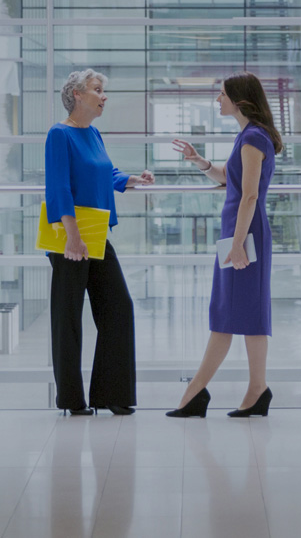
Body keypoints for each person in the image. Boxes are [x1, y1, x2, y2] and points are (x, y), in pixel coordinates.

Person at [166, 72, 281, 418]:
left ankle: (195, 392)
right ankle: (256, 390)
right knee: (244, 313)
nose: (218, 100)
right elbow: (230, 179)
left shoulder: (251, 139)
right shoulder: (250, 136)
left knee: (227, 314)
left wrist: (237, 245)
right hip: (242, 234)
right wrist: (201, 162)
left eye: (222, 95)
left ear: (239, 101)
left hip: (243, 236)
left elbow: (248, 196)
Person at [45, 69, 154, 416]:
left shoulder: (92, 133)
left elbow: (105, 173)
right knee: (69, 319)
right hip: (69, 236)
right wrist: (73, 239)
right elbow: (59, 186)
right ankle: (71, 401)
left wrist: (131, 179)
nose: (103, 96)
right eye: (97, 90)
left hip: (96, 233)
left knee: (118, 307)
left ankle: (112, 393)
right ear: (77, 95)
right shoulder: (59, 134)